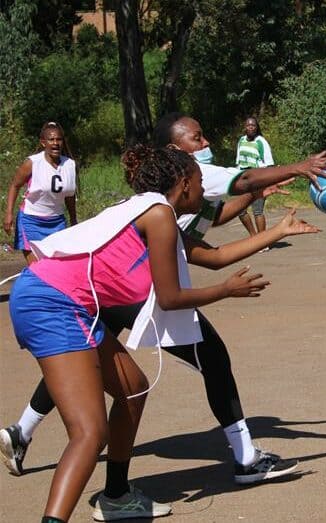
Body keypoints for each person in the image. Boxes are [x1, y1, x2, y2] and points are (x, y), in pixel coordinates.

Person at [0, 113, 326, 496]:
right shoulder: (185, 182)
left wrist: (269, 222)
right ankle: (244, 458)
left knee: (89, 356)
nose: (206, 143)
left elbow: (212, 236)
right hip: (122, 286)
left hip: (93, 287)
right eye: (197, 138)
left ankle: (24, 431)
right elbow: (243, 180)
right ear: (179, 159)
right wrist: (300, 167)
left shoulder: (165, 196)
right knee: (208, 358)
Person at [8, 145, 269, 522]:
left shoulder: (146, 211)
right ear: (183, 185)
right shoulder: (159, 214)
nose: (204, 190)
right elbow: (170, 297)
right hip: (53, 302)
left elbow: (211, 255)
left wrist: (278, 228)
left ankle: (115, 495)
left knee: (133, 388)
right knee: (89, 432)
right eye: (200, 182)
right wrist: (226, 290)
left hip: (57, 298)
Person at [3, 122, 78, 265]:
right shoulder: (33, 163)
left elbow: (69, 196)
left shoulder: (70, 165)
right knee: (38, 268)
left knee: (57, 266)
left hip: (57, 222)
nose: (55, 143)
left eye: (59, 139)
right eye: (51, 139)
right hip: (31, 221)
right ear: (43, 142)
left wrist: (73, 219)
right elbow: (15, 185)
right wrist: (9, 214)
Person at [236, 117, 276, 239]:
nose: (250, 127)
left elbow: (269, 164)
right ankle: (253, 237)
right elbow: (238, 162)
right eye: (248, 125)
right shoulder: (241, 140)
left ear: (257, 127)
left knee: (257, 210)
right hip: (244, 180)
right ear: (245, 127)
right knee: (240, 210)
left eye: (253, 125)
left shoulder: (261, 141)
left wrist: (270, 181)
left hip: (258, 179)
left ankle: (262, 240)